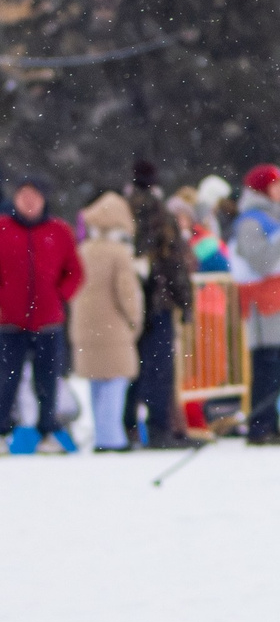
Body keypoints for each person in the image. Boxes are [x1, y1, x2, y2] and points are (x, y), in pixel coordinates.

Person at [0, 172, 84, 454]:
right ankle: (2, 431)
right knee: (5, 380)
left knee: (47, 380)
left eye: (34, 196)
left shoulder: (59, 231)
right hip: (8, 322)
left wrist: (60, 297)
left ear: (43, 200)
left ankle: (48, 431)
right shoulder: (3, 229)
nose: (29, 202)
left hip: (48, 321)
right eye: (23, 196)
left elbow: (74, 271)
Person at [231, 165, 280, 445]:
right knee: (266, 368)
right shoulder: (251, 222)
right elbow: (260, 261)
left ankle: (270, 422)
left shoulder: (273, 219)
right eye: (277, 185)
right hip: (264, 306)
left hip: (278, 304)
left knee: (277, 368)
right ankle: (260, 425)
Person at [126, 160, 197, 449]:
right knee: (158, 369)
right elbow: (174, 262)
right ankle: (158, 429)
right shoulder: (160, 213)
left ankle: (127, 427)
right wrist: (185, 300)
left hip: (129, 302)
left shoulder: (123, 209)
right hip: (159, 300)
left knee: (132, 369)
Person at [69, 192, 142, 451]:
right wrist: (135, 321)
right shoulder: (118, 254)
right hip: (114, 329)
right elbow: (127, 294)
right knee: (115, 382)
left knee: (96, 383)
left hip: (84, 329)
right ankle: (112, 438)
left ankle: (102, 433)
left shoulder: (81, 250)